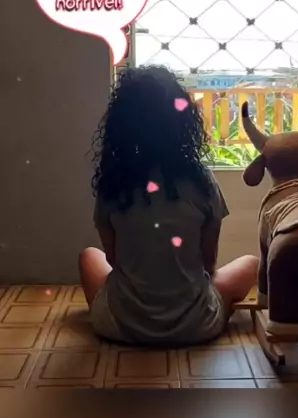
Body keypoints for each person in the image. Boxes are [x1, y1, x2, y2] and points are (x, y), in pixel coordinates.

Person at [79, 65, 258, 345]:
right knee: (251, 263)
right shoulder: (200, 180)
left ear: (120, 124)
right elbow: (208, 264)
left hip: (119, 325)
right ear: (183, 121)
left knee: (89, 256)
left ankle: (123, 310)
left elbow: (113, 260)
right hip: (197, 325)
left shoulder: (113, 183)